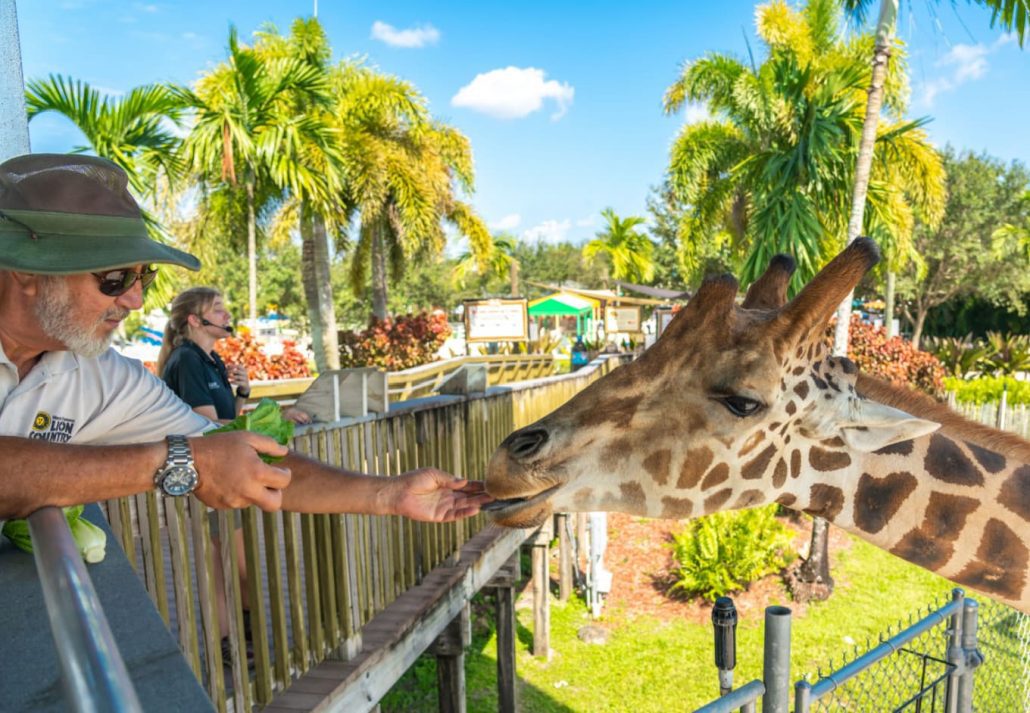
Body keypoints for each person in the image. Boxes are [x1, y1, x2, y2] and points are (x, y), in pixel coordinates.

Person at [0, 153, 491, 526]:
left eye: (142, 279)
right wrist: (176, 461)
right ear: (27, 271)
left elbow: (227, 453)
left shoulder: (100, 373)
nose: (133, 301)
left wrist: (387, 494)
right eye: (112, 279)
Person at [156, 286, 309, 424]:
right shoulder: (187, 359)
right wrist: (276, 420)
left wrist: (242, 393)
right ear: (195, 320)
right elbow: (210, 427)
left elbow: (230, 420)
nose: (228, 315)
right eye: (217, 310)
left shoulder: (212, 359)